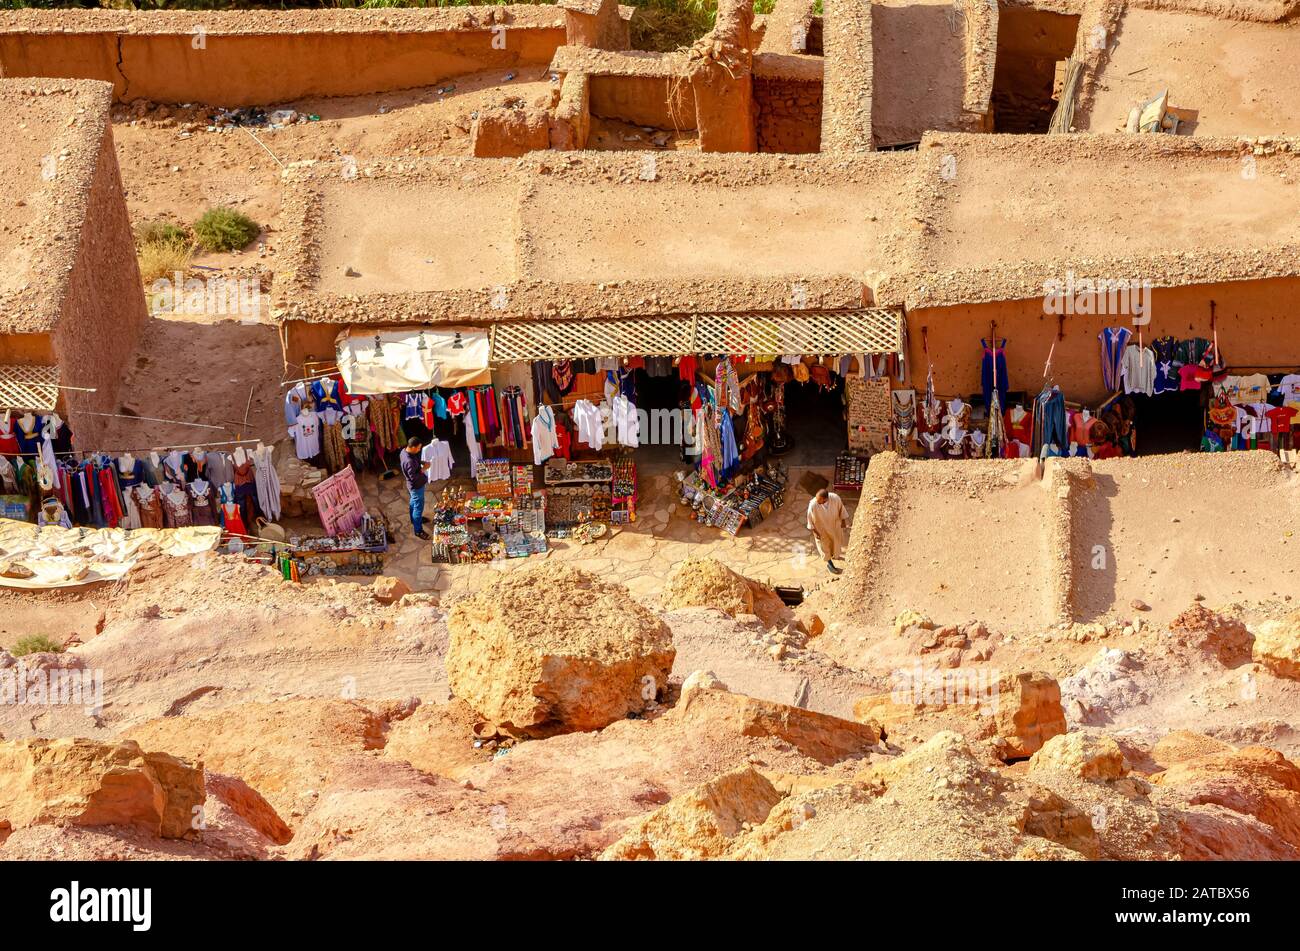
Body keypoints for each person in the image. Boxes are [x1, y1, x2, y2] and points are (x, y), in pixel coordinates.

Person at [806, 488, 849, 574]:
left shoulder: (835, 498)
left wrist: (843, 521)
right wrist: (814, 532)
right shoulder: (813, 504)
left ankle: (834, 555)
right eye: (816, 499)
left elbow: (841, 509)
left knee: (836, 543)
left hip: (834, 526)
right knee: (824, 547)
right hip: (821, 529)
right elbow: (809, 519)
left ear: (825, 499)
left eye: (819, 500)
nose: (817, 501)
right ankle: (830, 564)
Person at [400, 436, 430, 540]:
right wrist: (424, 469)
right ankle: (418, 530)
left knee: (413, 502)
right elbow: (414, 477)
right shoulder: (409, 462)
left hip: (412, 487)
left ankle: (414, 520)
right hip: (416, 486)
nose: (419, 450)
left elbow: (414, 461)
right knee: (418, 507)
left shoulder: (404, 452)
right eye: (418, 448)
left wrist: (421, 463)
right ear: (412, 447)